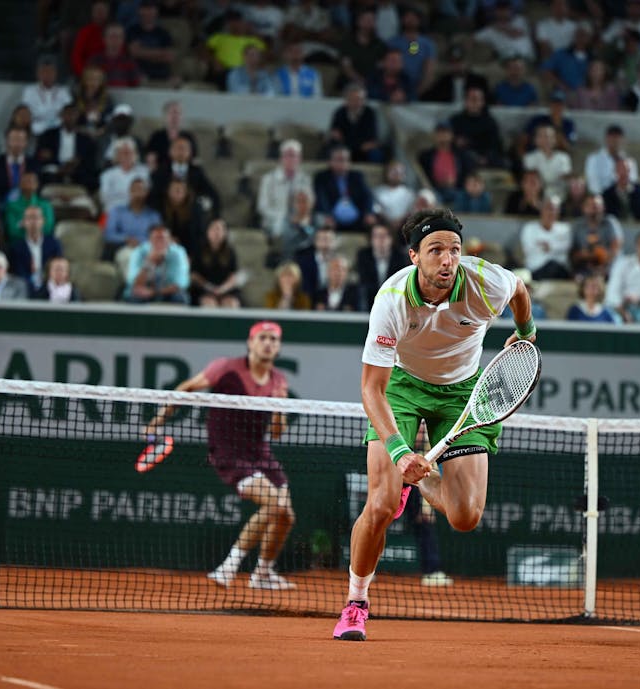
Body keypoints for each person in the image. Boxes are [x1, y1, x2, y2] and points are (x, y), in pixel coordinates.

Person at [333, 207, 535, 641]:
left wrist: (526, 329)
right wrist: (400, 452)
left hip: (464, 393)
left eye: (455, 250)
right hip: (403, 387)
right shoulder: (390, 301)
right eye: (436, 250)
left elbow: (519, 290)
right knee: (383, 505)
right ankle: (356, 603)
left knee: (465, 516)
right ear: (414, 256)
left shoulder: (485, 280)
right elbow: (372, 389)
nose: (448, 259)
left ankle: (419, 483)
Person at [145, 321, 295, 590]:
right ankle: (227, 568)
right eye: (262, 338)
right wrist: (158, 420)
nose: (268, 343)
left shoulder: (278, 380)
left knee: (286, 516)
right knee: (275, 505)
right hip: (229, 452)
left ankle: (262, 573)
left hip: (260, 452)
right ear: (250, 342)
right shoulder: (225, 367)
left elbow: (276, 433)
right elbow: (187, 388)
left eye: (273, 339)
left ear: (279, 347)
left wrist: (279, 408)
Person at [257, 139, 314, 241]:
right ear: (281, 158)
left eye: (294, 155)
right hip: (274, 221)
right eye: (287, 155)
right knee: (287, 230)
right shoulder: (268, 179)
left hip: (299, 221)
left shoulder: (305, 179)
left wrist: (300, 216)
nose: (291, 159)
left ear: (299, 159)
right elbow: (262, 207)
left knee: (314, 227)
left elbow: (310, 202)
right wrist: (286, 218)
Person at [126, 224, 189, 304]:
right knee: (134, 296)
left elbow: (181, 284)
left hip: (167, 292)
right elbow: (133, 283)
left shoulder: (178, 253)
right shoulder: (138, 252)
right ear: (149, 240)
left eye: (163, 239)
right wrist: (148, 263)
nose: (160, 242)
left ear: (170, 240)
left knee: (180, 297)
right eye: (156, 238)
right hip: (142, 291)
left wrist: (154, 292)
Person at [189, 218, 242, 308]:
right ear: (208, 232)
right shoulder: (199, 250)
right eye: (214, 229)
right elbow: (194, 275)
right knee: (209, 304)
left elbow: (234, 275)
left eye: (220, 229)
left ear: (225, 233)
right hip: (204, 289)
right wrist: (209, 287)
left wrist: (222, 289)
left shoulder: (230, 252)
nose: (216, 233)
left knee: (231, 304)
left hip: (226, 289)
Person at [7, 205, 62, 291]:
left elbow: (58, 267)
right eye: (29, 218)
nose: (33, 221)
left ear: (43, 221)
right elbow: (17, 273)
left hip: (50, 286)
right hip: (25, 287)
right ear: (24, 222)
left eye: (36, 218)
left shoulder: (54, 244)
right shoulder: (16, 247)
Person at [356, 223, 408, 311]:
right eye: (377, 236)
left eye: (384, 236)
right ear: (371, 239)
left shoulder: (400, 257)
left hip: (393, 301)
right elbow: (364, 281)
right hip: (370, 301)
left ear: (391, 239)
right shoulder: (363, 256)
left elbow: (400, 283)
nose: (381, 240)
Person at [570, 194, 623, 279]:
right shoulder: (577, 226)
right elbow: (572, 252)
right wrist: (585, 255)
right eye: (590, 206)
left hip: (608, 265)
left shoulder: (610, 223)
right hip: (585, 266)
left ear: (603, 207)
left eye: (597, 206)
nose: (594, 209)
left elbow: (616, 247)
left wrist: (603, 263)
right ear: (584, 208)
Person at [520, 195, 572, 280]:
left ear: (558, 211)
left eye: (554, 209)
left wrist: (547, 246)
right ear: (541, 210)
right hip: (535, 269)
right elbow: (528, 249)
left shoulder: (565, 229)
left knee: (553, 265)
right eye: (548, 208)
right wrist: (554, 248)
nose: (551, 212)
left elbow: (566, 246)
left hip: (559, 271)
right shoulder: (529, 228)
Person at [328, 83, 383, 163]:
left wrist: (350, 141)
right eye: (354, 99)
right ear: (347, 99)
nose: (358, 102)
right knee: (328, 152)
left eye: (361, 99)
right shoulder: (339, 113)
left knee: (376, 154)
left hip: (363, 150)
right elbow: (336, 135)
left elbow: (371, 137)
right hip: (344, 148)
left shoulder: (370, 113)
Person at [22, 56, 74, 136]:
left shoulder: (64, 91)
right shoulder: (29, 91)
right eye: (44, 71)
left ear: (56, 73)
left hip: (59, 131)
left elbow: (69, 112)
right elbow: (26, 112)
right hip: (36, 131)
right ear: (38, 74)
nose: (47, 74)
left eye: (50, 71)